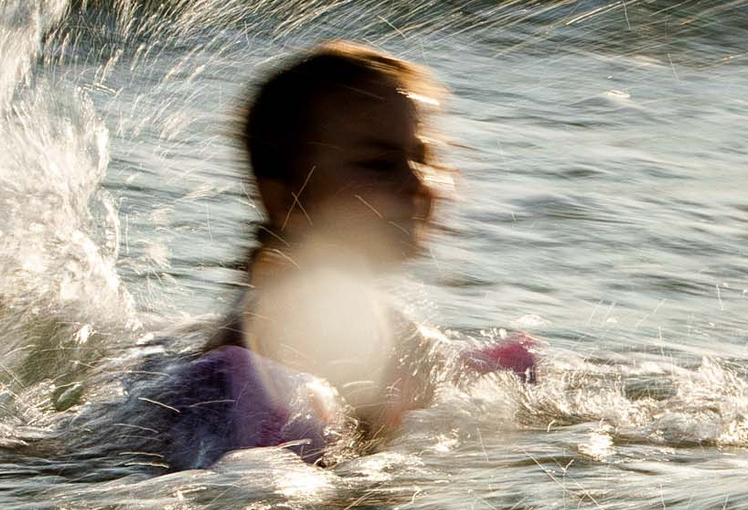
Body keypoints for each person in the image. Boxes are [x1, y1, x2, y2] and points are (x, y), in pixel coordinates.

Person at [153, 43, 538, 469]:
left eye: (423, 157)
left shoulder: (376, 322)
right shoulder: (270, 342)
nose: (417, 182)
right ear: (286, 199)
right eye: (378, 164)